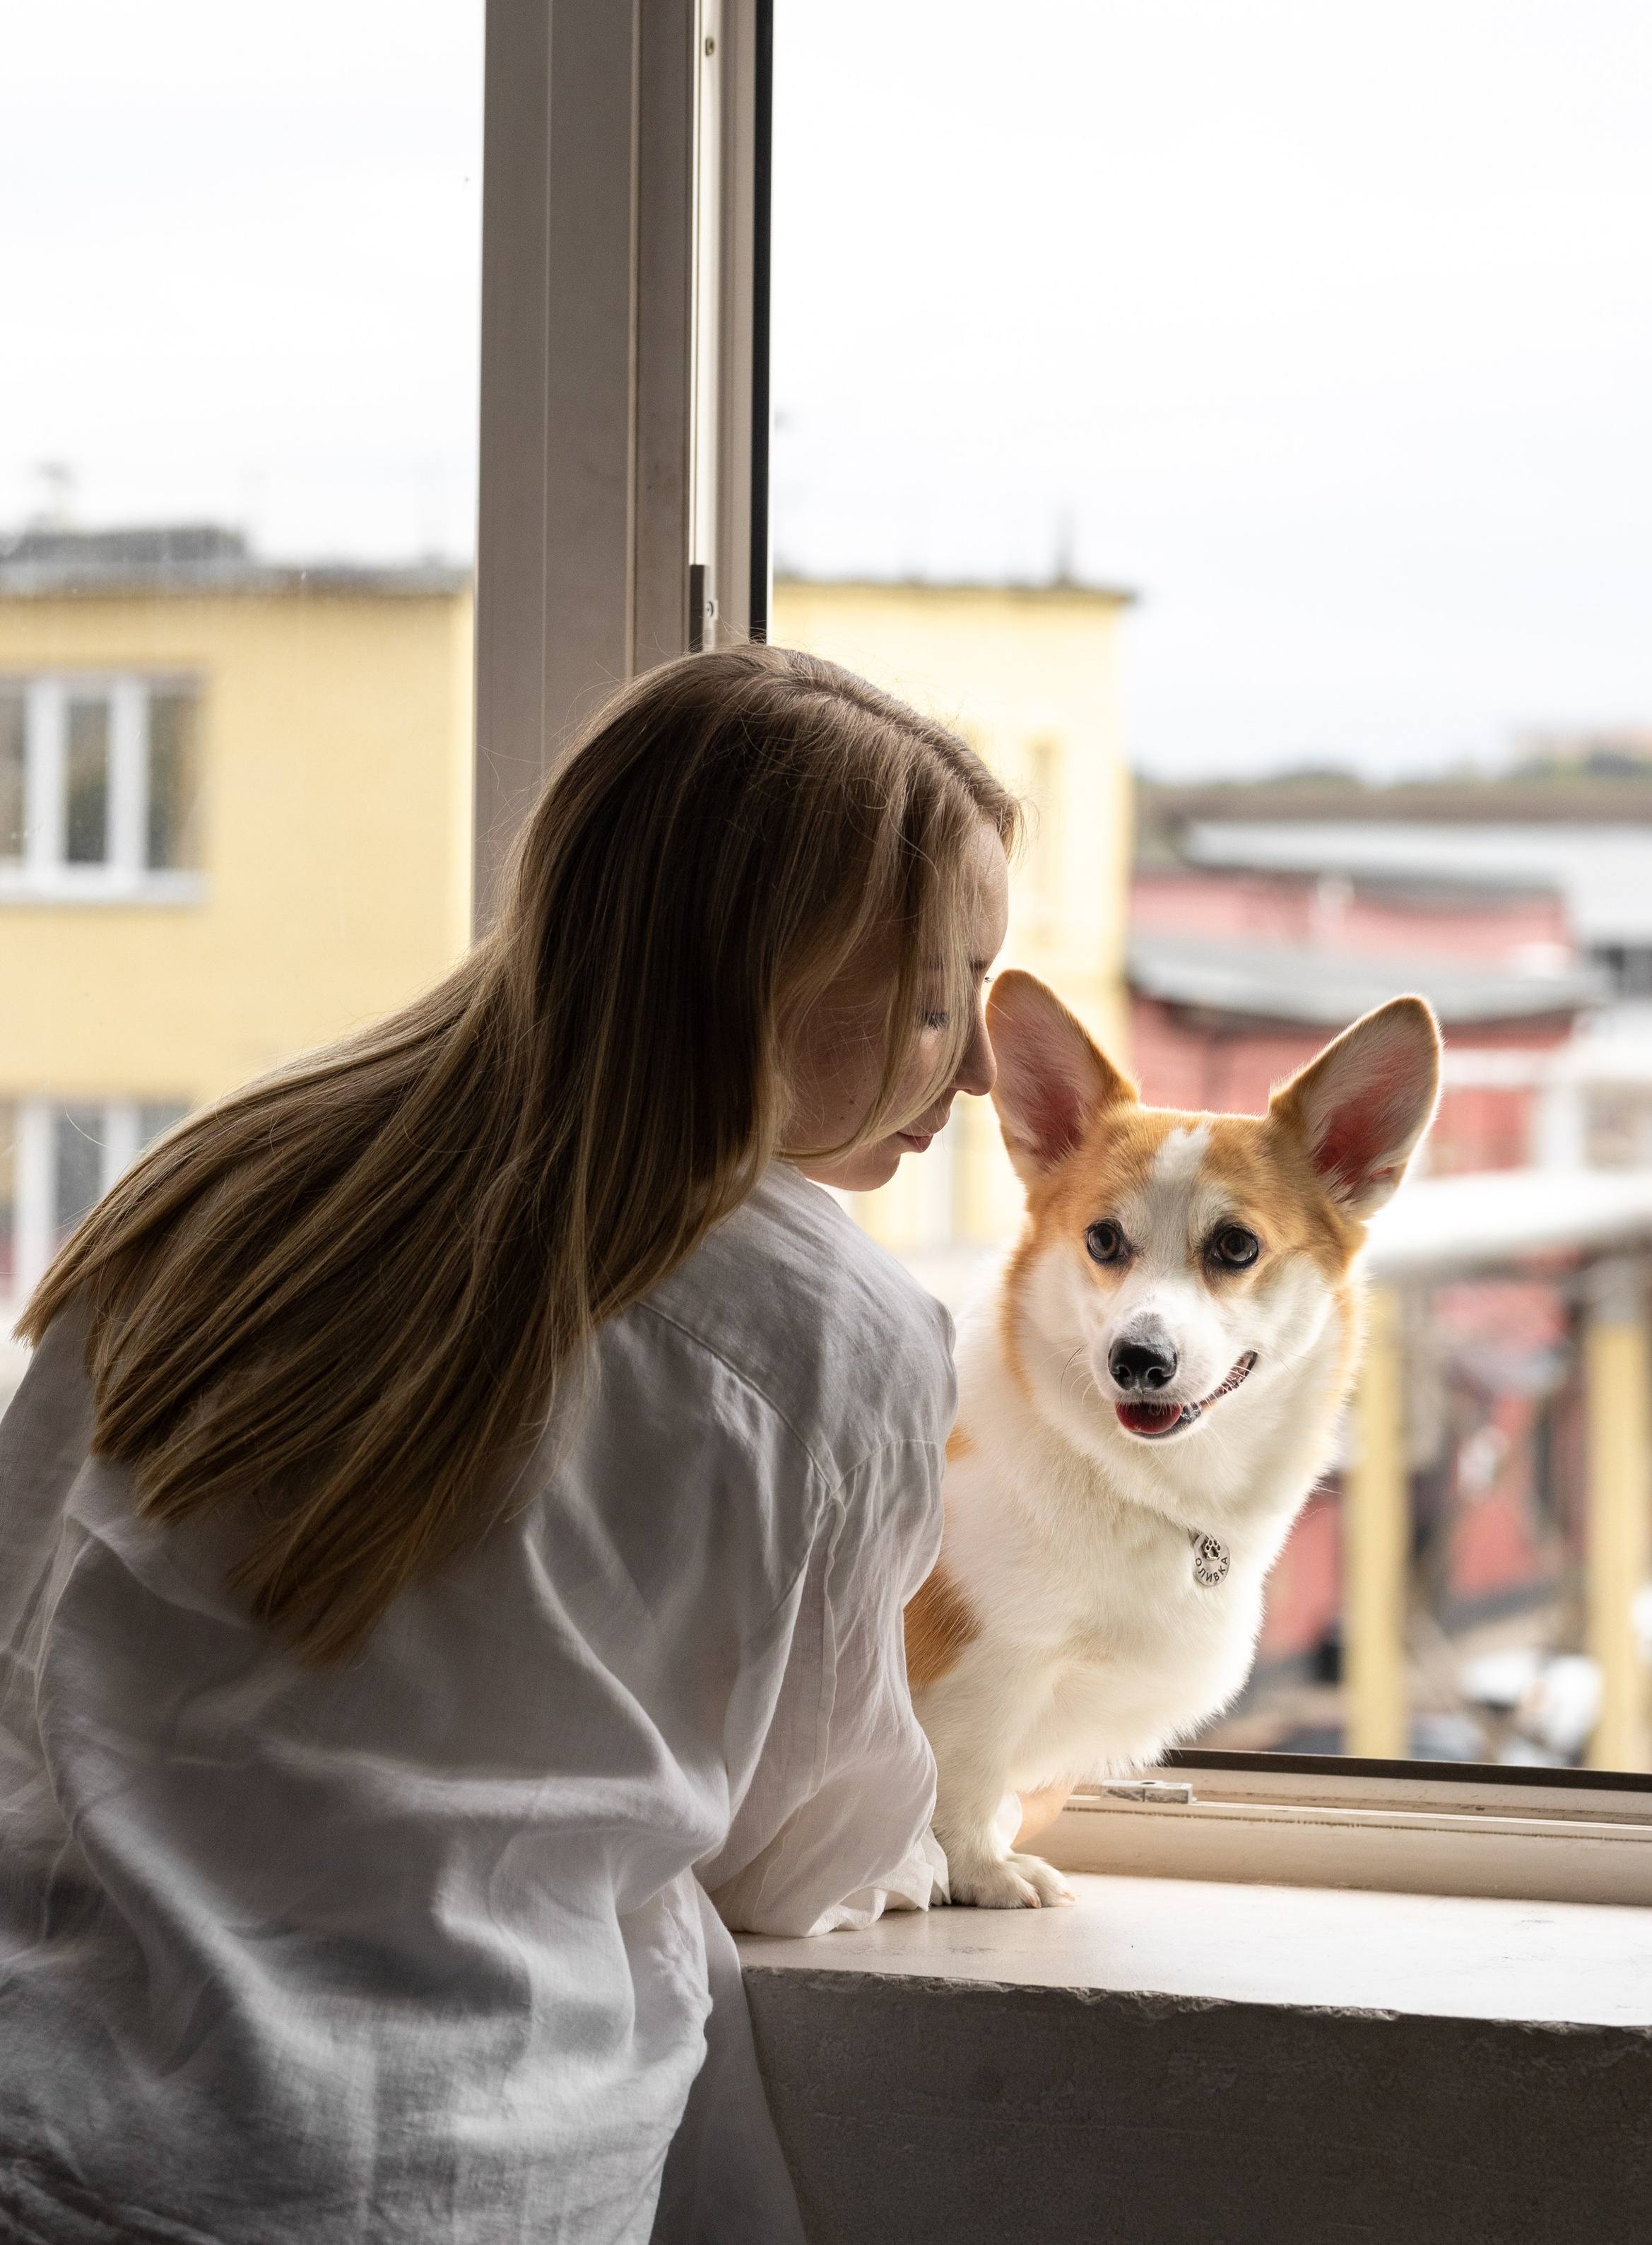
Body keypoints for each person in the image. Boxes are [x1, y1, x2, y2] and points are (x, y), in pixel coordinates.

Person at [0, 646, 1016, 2245]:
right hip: (451, 2181)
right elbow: (802, 1844)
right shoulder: (829, 1334)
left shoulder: (216, 1185)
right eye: (937, 995)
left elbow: (19, 1640)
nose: (971, 1062)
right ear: (764, 970)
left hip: (59, 2141)